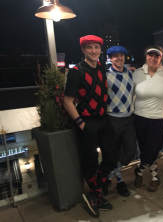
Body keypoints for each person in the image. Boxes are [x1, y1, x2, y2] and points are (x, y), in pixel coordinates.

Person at [63, 35, 118, 216]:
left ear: (101, 50)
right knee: (90, 163)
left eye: (96, 47)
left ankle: (95, 191)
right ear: (83, 50)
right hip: (87, 122)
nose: (94, 51)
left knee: (111, 157)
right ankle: (96, 195)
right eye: (89, 48)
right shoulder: (76, 71)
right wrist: (81, 124)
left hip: (104, 120)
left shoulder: (102, 68)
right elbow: (67, 101)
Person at [133, 45, 163, 192]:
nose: (153, 58)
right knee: (145, 148)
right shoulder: (137, 73)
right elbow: (128, 94)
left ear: (161, 57)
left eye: (156, 56)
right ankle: (155, 177)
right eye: (150, 55)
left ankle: (138, 170)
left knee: (153, 148)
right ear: (146, 56)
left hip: (159, 117)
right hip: (139, 117)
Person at [102, 46, 136, 197]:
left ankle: (107, 179)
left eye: (121, 55)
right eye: (115, 56)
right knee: (112, 154)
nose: (119, 58)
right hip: (112, 119)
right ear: (110, 58)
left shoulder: (130, 73)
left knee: (130, 152)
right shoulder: (105, 75)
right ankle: (120, 182)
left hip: (128, 119)